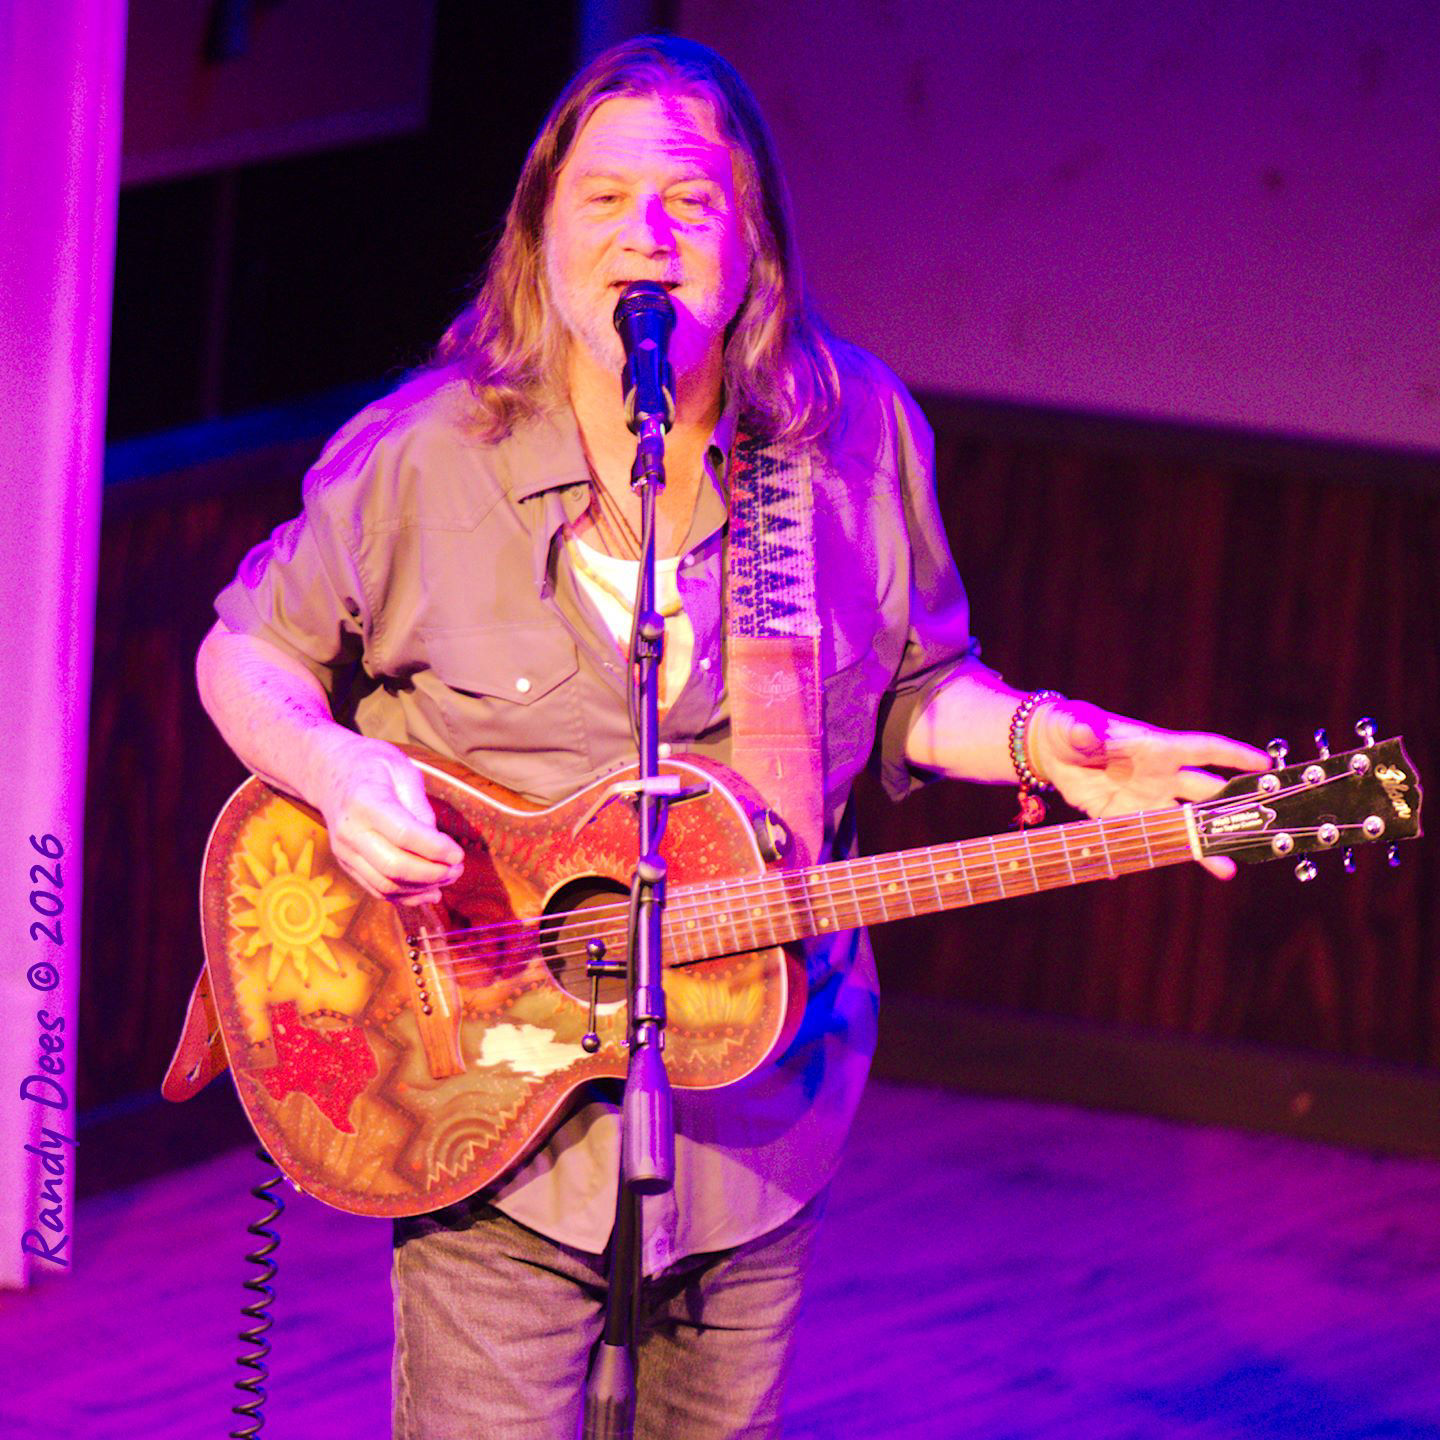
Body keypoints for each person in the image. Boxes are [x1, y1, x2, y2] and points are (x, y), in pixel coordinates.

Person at [195, 33, 1268, 1440]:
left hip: (760, 1115)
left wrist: (1052, 746)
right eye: (604, 199)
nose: (645, 235)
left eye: (690, 202)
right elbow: (244, 654)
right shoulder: (423, 458)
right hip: (479, 1112)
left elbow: (908, 687)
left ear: (754, 244)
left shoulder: (849, 435)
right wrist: (335, 772)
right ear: (539, 239)